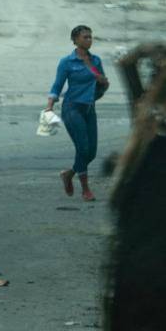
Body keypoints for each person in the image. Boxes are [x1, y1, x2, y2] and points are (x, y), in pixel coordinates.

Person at [45, 25, 109, 202]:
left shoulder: (95, 61)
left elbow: (103, 83)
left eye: (90, 37)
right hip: (72, 108)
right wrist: (50, 105)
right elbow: (57, 86)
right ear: (75, 40)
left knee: (92, 153)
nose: (89, 40)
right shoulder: (67, 62)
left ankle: (69, 174)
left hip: (89, 108)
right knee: (82, 148)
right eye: (85, 37)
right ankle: (86, 189)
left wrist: (101, 85)